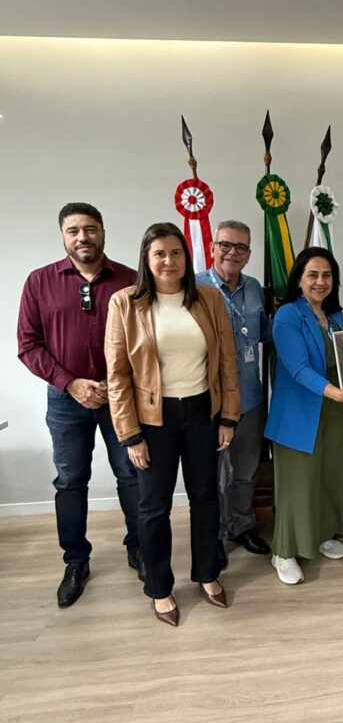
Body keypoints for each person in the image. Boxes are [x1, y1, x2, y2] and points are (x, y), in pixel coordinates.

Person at [105, 222, 241, 626]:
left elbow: (227, 361)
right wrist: (130, 435)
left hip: (202, 413)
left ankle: (207, 573)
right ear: (147, 260)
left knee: (205, 497)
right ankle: (160, 587)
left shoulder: (208, 298)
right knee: (153, 506)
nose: (169, 261)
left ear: (187, 257)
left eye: (176, 252)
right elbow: (118, 375)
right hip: (152, 420)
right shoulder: (125, 303)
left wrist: (229, 416)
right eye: (160, 254)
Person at [17, 202, 143, 609]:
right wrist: (70, 383)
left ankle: (139, 549)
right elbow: (28, 345)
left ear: (103, 232)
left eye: (90, 229)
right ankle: (75, 561)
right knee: (71, 481)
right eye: (73, 230)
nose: (82, 237)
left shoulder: (130, 280)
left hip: (120, 398)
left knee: (132, 475)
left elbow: (146, 341)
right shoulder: (39, 282)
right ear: (63, 235)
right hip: (66, 400)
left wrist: (118, 384)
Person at [264, 248, 343, 585]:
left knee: (327, 477)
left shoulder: (334, 315)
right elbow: (297, 368)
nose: (320, 281)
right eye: (313, 275)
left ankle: (323, 534)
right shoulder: (287, 315)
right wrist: (337, 393)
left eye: (327, 275)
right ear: (299, 279)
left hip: (333, 412)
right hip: (299, 413)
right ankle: (284, 552)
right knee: (298, 485)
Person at [196, 220, 272, 558]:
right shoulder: (194, 288)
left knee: (245, 471)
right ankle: (213, 535)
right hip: (207, 401)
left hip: (249, 398)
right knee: (210, 476)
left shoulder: (254, 288)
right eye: (225, 245)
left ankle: (241, 526)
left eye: (241, 247)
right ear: (213, 248)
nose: (232, 252)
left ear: (249, 254)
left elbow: (265, 333)